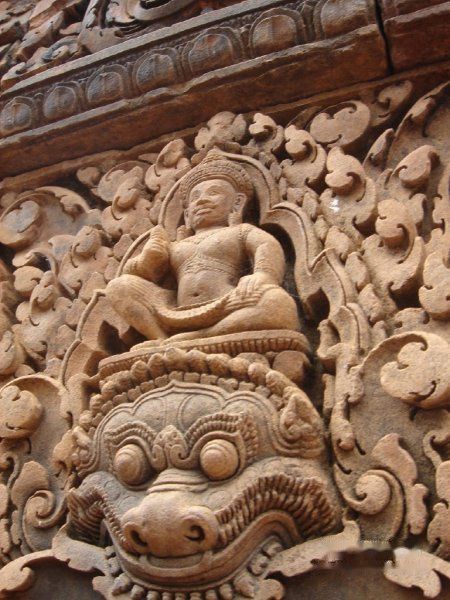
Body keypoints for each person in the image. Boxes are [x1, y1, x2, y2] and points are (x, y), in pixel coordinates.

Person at [105, 154, 299, 342]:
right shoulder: (175, 245)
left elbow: (266, 245)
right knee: (119, 286)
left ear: (237, 203)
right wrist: (147, 259)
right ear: (187, 213)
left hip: (228, 304)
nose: (202, 200)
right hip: (174, 311)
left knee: (277, 303)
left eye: (213, 193)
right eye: (195, 196)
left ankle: (199, 336)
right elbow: (138, 273)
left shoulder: (240, 231)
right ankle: (160, 339)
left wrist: (263, 275)